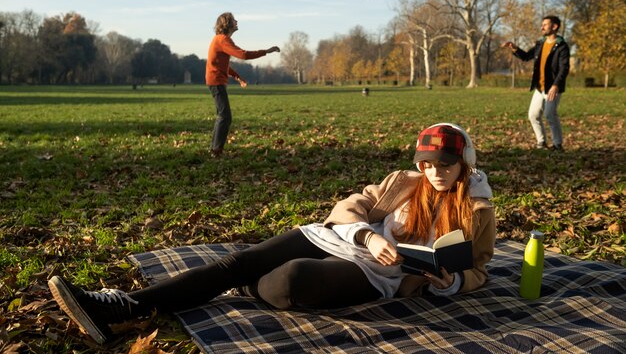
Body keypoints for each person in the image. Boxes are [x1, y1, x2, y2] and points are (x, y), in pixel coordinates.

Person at [48, 123, 495, 345]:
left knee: (288, 280)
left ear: (464, 164)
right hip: (346, 240)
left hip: (384, 276)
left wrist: (450, 282)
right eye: (428, 163)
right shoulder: (405, 182)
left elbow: (478, 269)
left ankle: (239, 286)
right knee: (237, 262)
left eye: (446, 165)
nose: (435, 173)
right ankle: (120, 306)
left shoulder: (476, 209)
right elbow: (352, 206)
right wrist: (367, 237)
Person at [206, 12, 280, 156]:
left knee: (222, 115)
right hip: (216, 81)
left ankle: (214, 149)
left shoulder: (220, 40)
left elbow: (222, 65)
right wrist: (267, 51)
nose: (236, 22)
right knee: (225, 116)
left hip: (215, 80)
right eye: (234, 20)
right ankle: (216, 151)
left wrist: (237, 77)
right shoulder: (223, 39)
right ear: (227, 24)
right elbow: (243, 55)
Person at [502, 15, 570, 151]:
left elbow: (564, 68)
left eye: (545, 24)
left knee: (550, 114)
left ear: (554, 26)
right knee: (533, 115)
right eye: (542, 24)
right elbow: (527, 56)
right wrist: (514, 48)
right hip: (540, 88)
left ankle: (557, 144)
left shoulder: (562, 46)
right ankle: (541, 142)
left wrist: (556, 85)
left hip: (553, 88)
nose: (542, 27)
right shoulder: (540, 43)